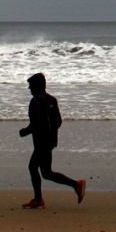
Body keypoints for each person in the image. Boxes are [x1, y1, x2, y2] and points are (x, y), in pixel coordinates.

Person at [18, 72, 85, 209]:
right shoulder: (52, 100)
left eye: (30, 86)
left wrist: (24, 132)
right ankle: (76, 185)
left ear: (37, 86)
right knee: (47, 173)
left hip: (41, 143)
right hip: (50, 142)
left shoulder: (35, 102)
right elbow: (59, 122)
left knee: (33, 168)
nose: (29, 89)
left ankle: (39, 199)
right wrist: (50, 135)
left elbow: (36, 124)